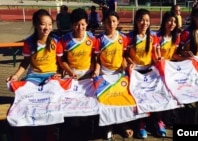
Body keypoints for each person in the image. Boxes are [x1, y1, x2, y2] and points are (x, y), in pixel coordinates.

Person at [6, 9, 63, 141]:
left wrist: (59, 74)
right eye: (43, 24)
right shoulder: (29, 42)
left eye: (49, 24)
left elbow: (60, 63)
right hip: (34, 77)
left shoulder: (56, 41)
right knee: (24, 99)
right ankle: (25, 132)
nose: (47, 28)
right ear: (36, 25)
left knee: (52, 101)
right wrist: (16, 76)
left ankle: (51, 132)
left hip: (51, 77)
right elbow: (25, 62)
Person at [57, 8, 98, 141]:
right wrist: (69, 72)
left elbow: (96, 57)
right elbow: (61, 60)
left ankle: (88, 133)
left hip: (87, 77)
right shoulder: (64, 40)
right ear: (71, 25)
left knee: (88, 106)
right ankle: (69, 133)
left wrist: (95, 69)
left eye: (83, 24)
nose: (80, 27)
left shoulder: (92, 38)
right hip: (71, 77)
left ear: (87, 24)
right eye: (76, 24)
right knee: (71, 106)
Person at [94, 11, 133, 140]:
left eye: (114, 21)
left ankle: (123, 124)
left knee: (121, 100)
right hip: (105, 74)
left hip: (118, 74)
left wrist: (126, 67)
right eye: (108, 21)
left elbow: (123, 56)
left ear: (118, 23)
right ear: (104, 23)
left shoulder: (123, 38)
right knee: (107, 102)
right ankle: (108, 126)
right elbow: (97, 59)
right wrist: (97, 70)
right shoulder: (99, 39)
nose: (111, 24)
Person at [125, 8, 159, 139]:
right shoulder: (129, 37)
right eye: (141, 20)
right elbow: (125, 54)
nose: (144, 23)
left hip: (149, 72)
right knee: (138, 98)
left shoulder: (153, 37)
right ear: (136, 21)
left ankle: (156, 121)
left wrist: (159, 62)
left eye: (147, 20)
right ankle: (140, 124)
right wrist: (130, 62)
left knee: (151, 96)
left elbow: (154, 55)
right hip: (136, 73)